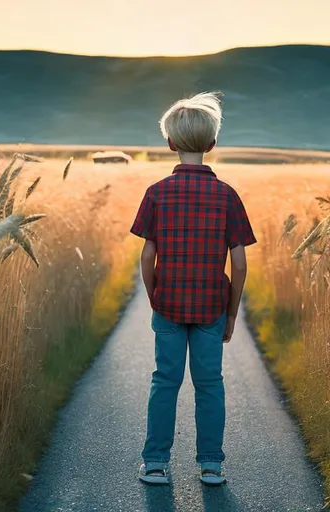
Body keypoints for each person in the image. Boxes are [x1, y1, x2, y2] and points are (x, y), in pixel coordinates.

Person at [130, 92, 257, 487]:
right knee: (210, 384)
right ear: (212, 144)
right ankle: (211, 466)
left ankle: (155, 464)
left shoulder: (156, 192)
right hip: (210, 307)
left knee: (164, 382)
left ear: (170, 143)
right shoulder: (227, 196)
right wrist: (232, 312)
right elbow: (238, 261)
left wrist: (155, 298)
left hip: (167, 305)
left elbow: (146, 257)